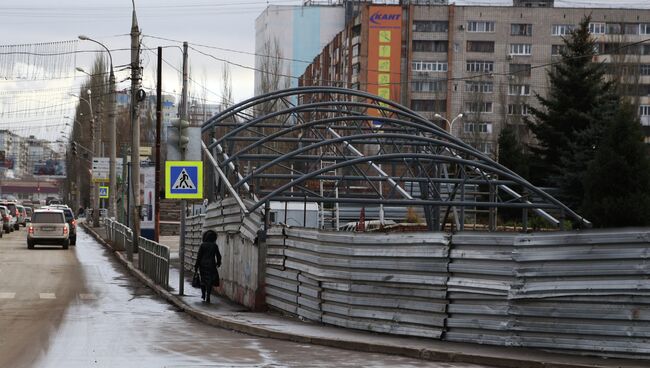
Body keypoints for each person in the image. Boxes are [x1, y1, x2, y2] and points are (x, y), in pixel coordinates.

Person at [194, 230, 221, 303]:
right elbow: (218, 255)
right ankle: (208, 295)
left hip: (202, 265)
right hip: (211, 265)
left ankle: (203, 294)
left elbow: (199, 256)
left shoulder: (203, 245)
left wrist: (196, 266)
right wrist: (218, 263)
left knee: (203, 280)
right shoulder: (214, 246)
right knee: (210, 281)